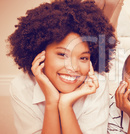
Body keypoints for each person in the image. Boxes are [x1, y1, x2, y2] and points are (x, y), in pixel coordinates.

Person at [7, 0, 117, 133]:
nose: (74, 67)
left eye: (83, 58)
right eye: (62, 54)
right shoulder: (23, 87)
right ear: (40, 54)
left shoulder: (96, 85)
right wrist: (51, 103)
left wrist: (65, 105)